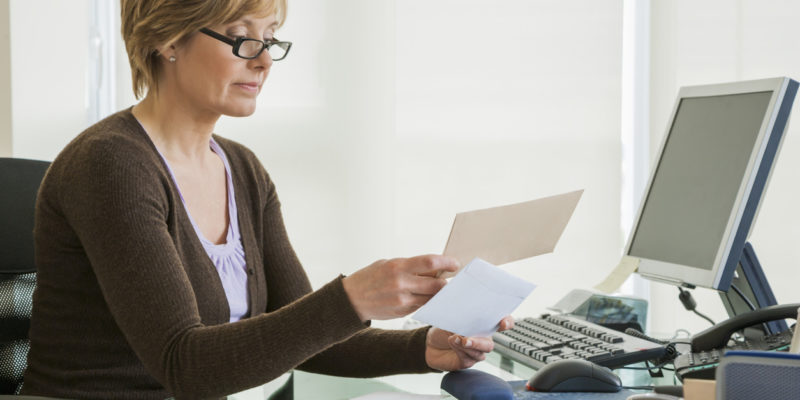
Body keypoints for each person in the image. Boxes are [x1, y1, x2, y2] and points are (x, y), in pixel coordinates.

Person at [21, 0, 513, 399]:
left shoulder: (243, 171)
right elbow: (184, 366)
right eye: (243, 38)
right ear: (167, 38)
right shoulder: (111, 166)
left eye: (270, 39)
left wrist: (423, 348)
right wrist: (352, 299)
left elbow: (308, 342)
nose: (262, 60)